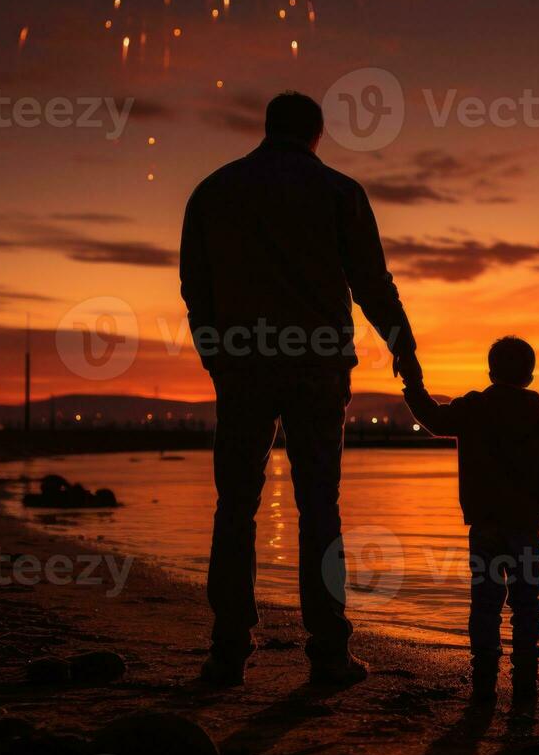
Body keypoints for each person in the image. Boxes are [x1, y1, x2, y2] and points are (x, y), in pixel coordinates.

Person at [179, 91, 422, 687]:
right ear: (317, 134)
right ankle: (329, 653)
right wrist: (404, 349)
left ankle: (229, 651)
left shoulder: (214, 190)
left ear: (267, 128)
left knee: (235, 506)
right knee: (320, 507)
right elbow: (371, 281)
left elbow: (195, 283)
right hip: (317, 365)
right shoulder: (338, 191)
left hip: (244, 365)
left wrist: (217, 354)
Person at [402, 337, 539, 708]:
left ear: (491, 371)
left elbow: (432, 417)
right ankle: (526, 676)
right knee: (527, 603)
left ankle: (484, 678)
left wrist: (413, 386)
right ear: (530, 375)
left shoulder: (474, 409)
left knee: (485, 602)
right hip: (525, 527)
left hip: (486, 526)